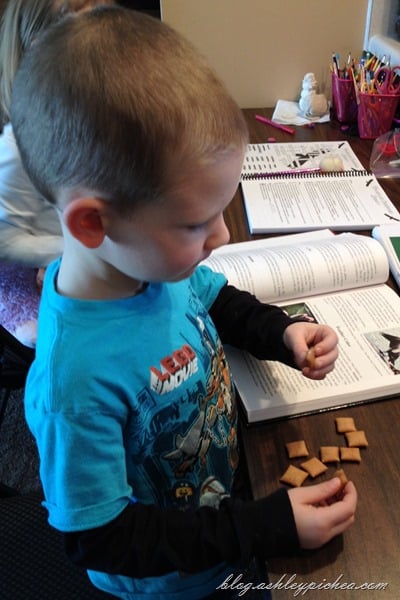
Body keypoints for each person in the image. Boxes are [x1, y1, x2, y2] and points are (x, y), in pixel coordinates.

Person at [12, 7, 357, 599]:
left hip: (219, 505)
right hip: (172, 581)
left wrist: (281, 334)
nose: (222, 237)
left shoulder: (153, 269)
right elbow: (104, 538)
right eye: (196, 223)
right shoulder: (74, 386)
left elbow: (216, 299)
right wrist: (264, 527)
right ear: (94, 224)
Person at [0, 0, 114, 269]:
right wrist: (81, 251)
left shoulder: (105, 132)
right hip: (47, 287)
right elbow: (4, 240)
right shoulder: (21, 145)